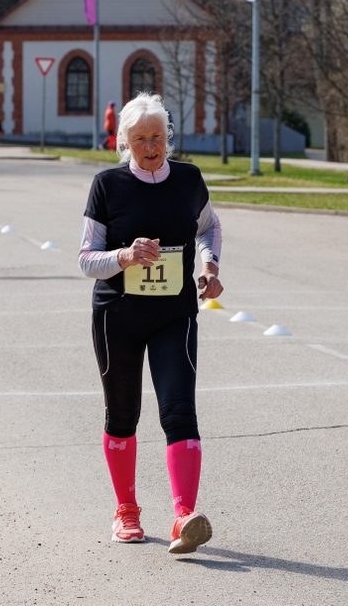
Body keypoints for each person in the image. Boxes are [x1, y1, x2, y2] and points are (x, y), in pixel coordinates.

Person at [77, 92, 224, 554]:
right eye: (139, 138)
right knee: (123, 416)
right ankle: (126, 510)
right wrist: (123, 255)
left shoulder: (188, 179)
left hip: (173, 314)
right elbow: (85, 260)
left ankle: (184, 516)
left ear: (168, 137)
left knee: (180, 410)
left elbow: (209, 227)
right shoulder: (107, 185)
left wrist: (210, 264)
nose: (149, 146)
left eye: (157, 136)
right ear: (124, 142)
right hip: (117, 315)